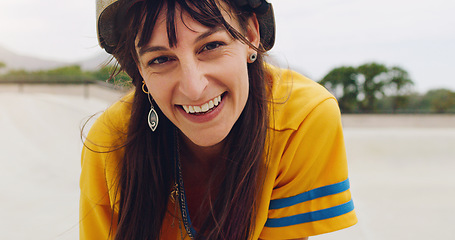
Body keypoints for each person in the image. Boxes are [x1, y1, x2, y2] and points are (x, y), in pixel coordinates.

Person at [79, 0, 358, 239]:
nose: (193, 87)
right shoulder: (110, 143)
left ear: (250, 34)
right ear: (139, 68)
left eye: (211, 45)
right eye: (161, 60)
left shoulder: (302, 119)